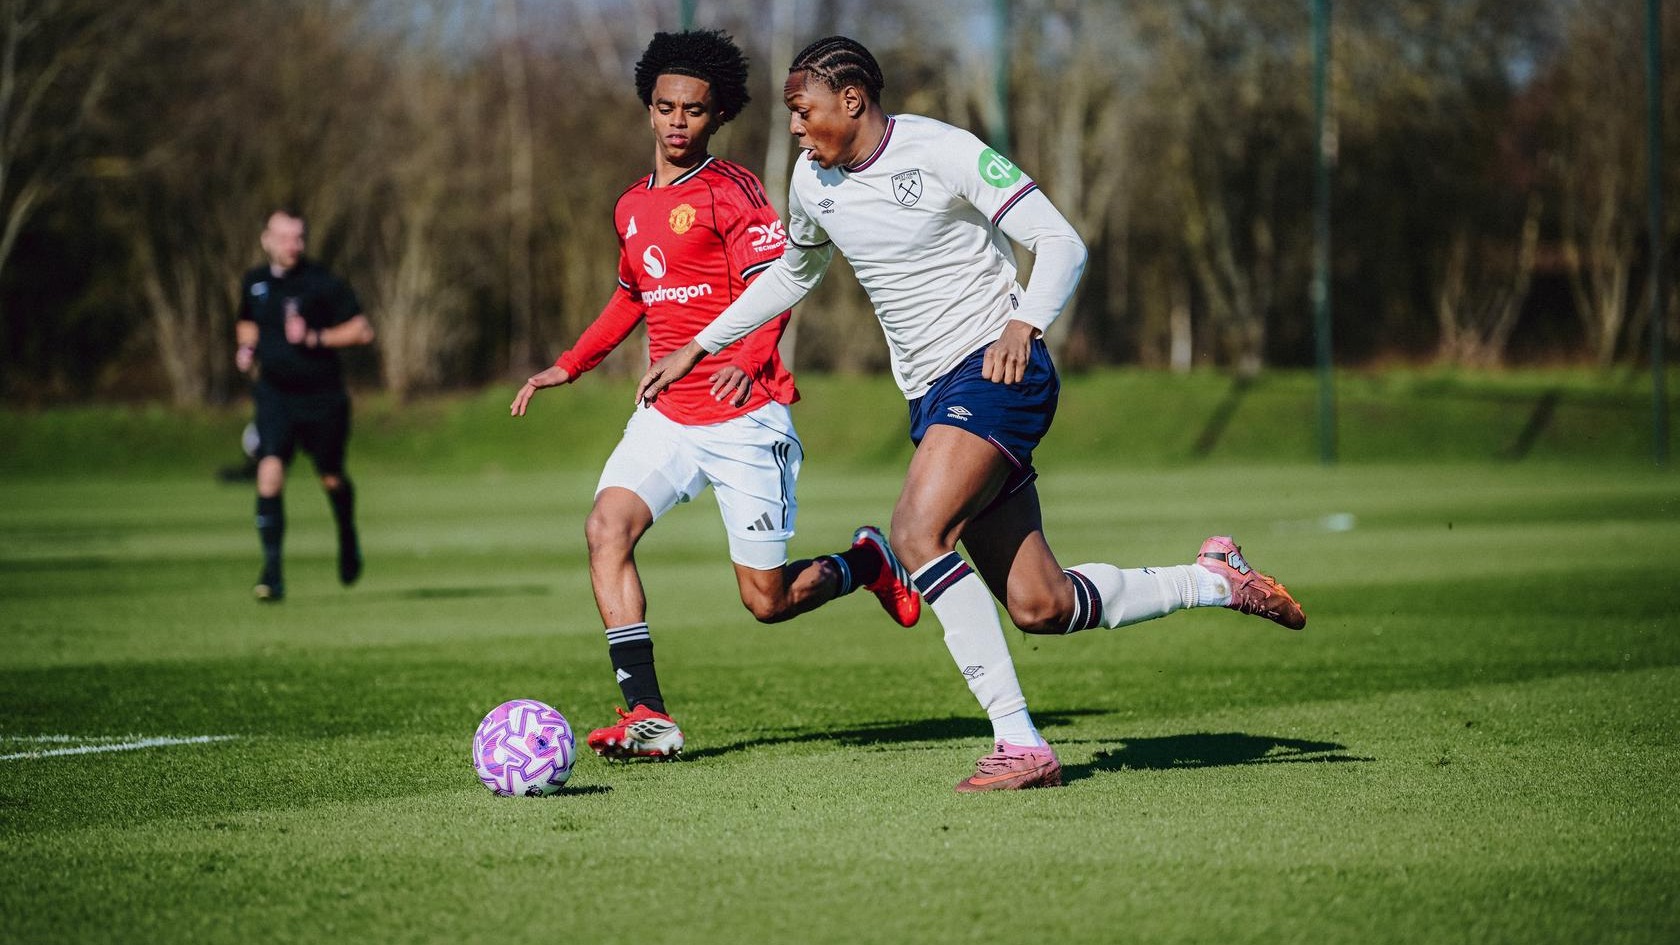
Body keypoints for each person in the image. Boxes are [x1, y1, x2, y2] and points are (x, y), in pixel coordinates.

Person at [636, 36, 1307, 792]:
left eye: (804, 110)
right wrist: (700, 344)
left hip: (998, 369)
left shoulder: (942, 150)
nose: (794, 126)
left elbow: (1061, 241)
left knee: (917, 532)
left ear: (851, 102)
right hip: (934, 397)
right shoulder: (812, 182)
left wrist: (1027, 320)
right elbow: (796, 271)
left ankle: (1020, 743)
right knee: (1040, 604)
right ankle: (1216, 578)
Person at [510, 30, 920, 761]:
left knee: (766, 601)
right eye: (664, 107)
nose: (676, 121)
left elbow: (782, 281)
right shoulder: (631, 206)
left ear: (715, 116)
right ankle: (648, 714)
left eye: (693, 111)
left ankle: (867, 562)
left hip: (743, 415)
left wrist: (751, 355)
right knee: (606, 528)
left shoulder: (733, 191)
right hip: (666, 414)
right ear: (648, 108)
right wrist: (568, 365)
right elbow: (629, 297)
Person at [235, 209, 375, 602]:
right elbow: (246, 324)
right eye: (284, 238)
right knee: (269, 473)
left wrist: (315, 337)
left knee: (331, 477)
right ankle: (272, 574)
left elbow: (362, 330)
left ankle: (347, 532)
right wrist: (246, 349)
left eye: (298, 238)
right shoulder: (254, 282)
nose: (291, 245)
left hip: (323, 397)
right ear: (267, 239)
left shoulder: (322, 282)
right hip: (275, 395)